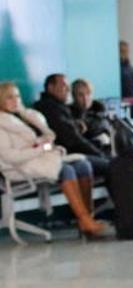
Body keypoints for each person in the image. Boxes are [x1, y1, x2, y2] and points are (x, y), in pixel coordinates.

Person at [0, 81, 105, 237]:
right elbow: (10, 156)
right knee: (66, 169)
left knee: (83, 165)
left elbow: (47, 133)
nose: (15, 101)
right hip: (18, 167)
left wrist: (24, 113)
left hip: (39, 159)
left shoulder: (22, 117)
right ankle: (84, 219)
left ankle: (88, 219)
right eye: (9, 97)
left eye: (17, 96)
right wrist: (40, 148)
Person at [33, 74, 112, 178]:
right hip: (66, 154)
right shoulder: (50, 108)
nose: (67, 90)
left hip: (73, 151)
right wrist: (101, 155)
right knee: (113, 167)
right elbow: (72, 140)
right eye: (64, 86)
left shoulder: (57, 107)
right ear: (51, 88)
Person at [120, 41, 133, 118]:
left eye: (127, 51)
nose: (126, 53)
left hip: (132, 98)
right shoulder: (117, 66)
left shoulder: (127, 64)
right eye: (123, 51)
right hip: (125, 99)